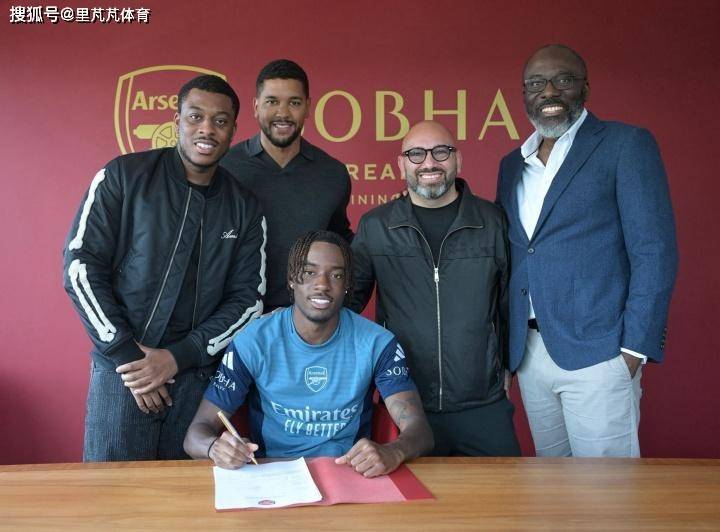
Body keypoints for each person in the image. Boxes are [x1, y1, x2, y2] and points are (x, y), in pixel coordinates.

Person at [63, 75, 267, 461]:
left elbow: (248, 301)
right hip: (123, 375)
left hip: (195, 379)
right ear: (177, 121)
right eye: (195, 117)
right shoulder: (124, 176)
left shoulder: (244, 206)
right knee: (112, 494)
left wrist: (176, 358)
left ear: (233, 130)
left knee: (189, 494)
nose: (207, 129)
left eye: (220, 121)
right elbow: (80, 267)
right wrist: (129, 356)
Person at [496, 44, 678, 457]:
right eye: (536, 84)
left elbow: (654, 251)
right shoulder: (512, 165)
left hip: (601, 352)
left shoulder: (624, 145)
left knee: (605, 491)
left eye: (563, 80)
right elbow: (517, 253)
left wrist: (633, 350)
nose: (549, 92)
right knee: (553, 485)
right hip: (529, 354)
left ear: (585, 88)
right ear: (524, 94)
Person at [184, 231, 433, 477]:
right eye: (309, 272)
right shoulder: (254, 341)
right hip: (272, 474)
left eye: (336, 275)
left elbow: (420, 431)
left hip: (349, 473)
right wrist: (214, 447)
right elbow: (195, 435)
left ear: (347, 285)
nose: (322, 284)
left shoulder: (377, 343)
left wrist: (394, 451)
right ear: (292, 279)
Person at [350, 121, 520, 457]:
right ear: (401, 164)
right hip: (406, 404)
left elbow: (509, 303)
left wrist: (508, 363)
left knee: (505, 491)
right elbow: (348, 305)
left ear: (458, 159)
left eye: (441, 152)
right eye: (416, 154)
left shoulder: (492, 222)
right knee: (409, 493)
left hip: (484, 406)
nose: (429, 162)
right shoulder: (376, 226)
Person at [221, 59, 353, 312]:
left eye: (294, 102)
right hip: (236, 317)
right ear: (256, 107)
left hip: (309, 318)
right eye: (272, 102)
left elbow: (341, 241)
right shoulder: (225, 168)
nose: (283, 113)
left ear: (308, 107)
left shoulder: (333, 173)